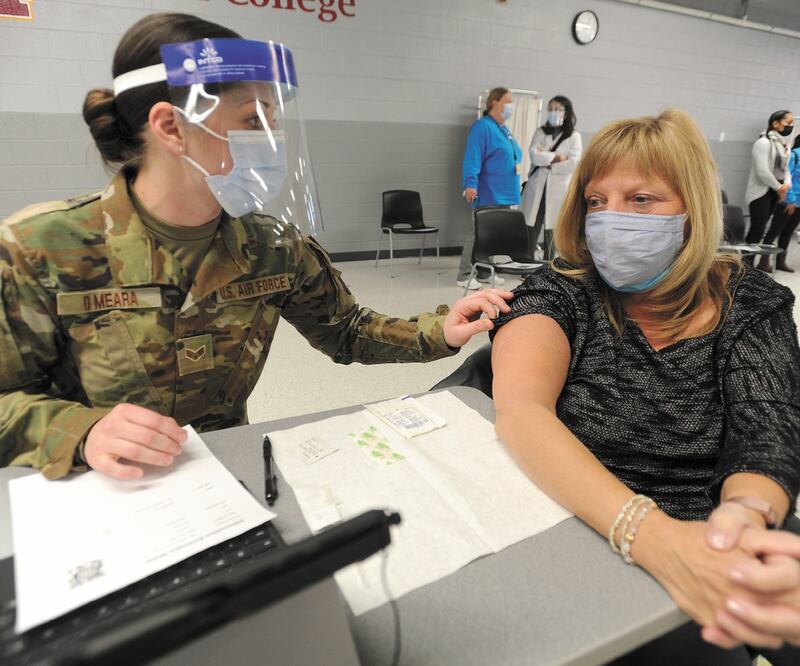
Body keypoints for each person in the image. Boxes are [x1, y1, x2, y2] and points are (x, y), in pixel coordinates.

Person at [0, 13, 513, 482]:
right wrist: (81, 432)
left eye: (275, 118)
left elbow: (347, 331)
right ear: (170, 127)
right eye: (253, 120)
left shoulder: (271, 246)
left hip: (224, 471)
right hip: (97, 489)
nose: (273, 140)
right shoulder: (41, 249)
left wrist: (438, 330)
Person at [490, 109, 800, 664]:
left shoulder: (750, 301)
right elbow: (521, 410)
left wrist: (742, 518)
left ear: (691, 210)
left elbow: (768, 426)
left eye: (641, 199)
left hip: (710, 529)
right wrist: (654, 539)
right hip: (577, 524)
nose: (610, 218)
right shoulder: (561, 292)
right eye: (596, 201)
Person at [457, 87, 523, 290]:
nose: (511, 107)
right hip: (488, 191)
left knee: (493, 236)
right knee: (478, 233)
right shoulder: (482, 127)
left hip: (504, 193)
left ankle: (485, 271)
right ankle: (465, 274)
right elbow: (473, 157)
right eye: (508, 102)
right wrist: (470, 184)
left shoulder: (503, 128)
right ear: (495, 103)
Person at [521, 95, 582, 261]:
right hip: (538, 187)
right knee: (531, 225)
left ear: (567, 113)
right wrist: (558, 158)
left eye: (558, 109)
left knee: (553, 227)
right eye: (551, 109)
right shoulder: (540, 132)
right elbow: (534, 156)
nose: (553, 112)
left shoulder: (574, 136)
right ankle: (527, 262)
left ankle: (548, 264)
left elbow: (574, 163)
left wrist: (548, 161)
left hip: (558, 188)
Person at [744, 109, 793, 269]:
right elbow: (762, 171)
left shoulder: (782, 144)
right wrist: (779, 187)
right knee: (757, 230)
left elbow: (786, 169)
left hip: (774, 192)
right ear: (775, 123)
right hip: (760, 193)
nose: (791, 126)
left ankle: (752, 267)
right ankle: (745, 266)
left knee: (763, 228)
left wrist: (786, 184)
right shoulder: (763, 142)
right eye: (788, 123)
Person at [761, 134, 800, 272]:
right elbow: (786, 178)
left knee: (788, 232)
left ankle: (780, 261)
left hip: (799, 204)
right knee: (774, 231)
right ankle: (763, 261)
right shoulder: (794, 155)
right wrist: (790, 200)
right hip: (788, 202)